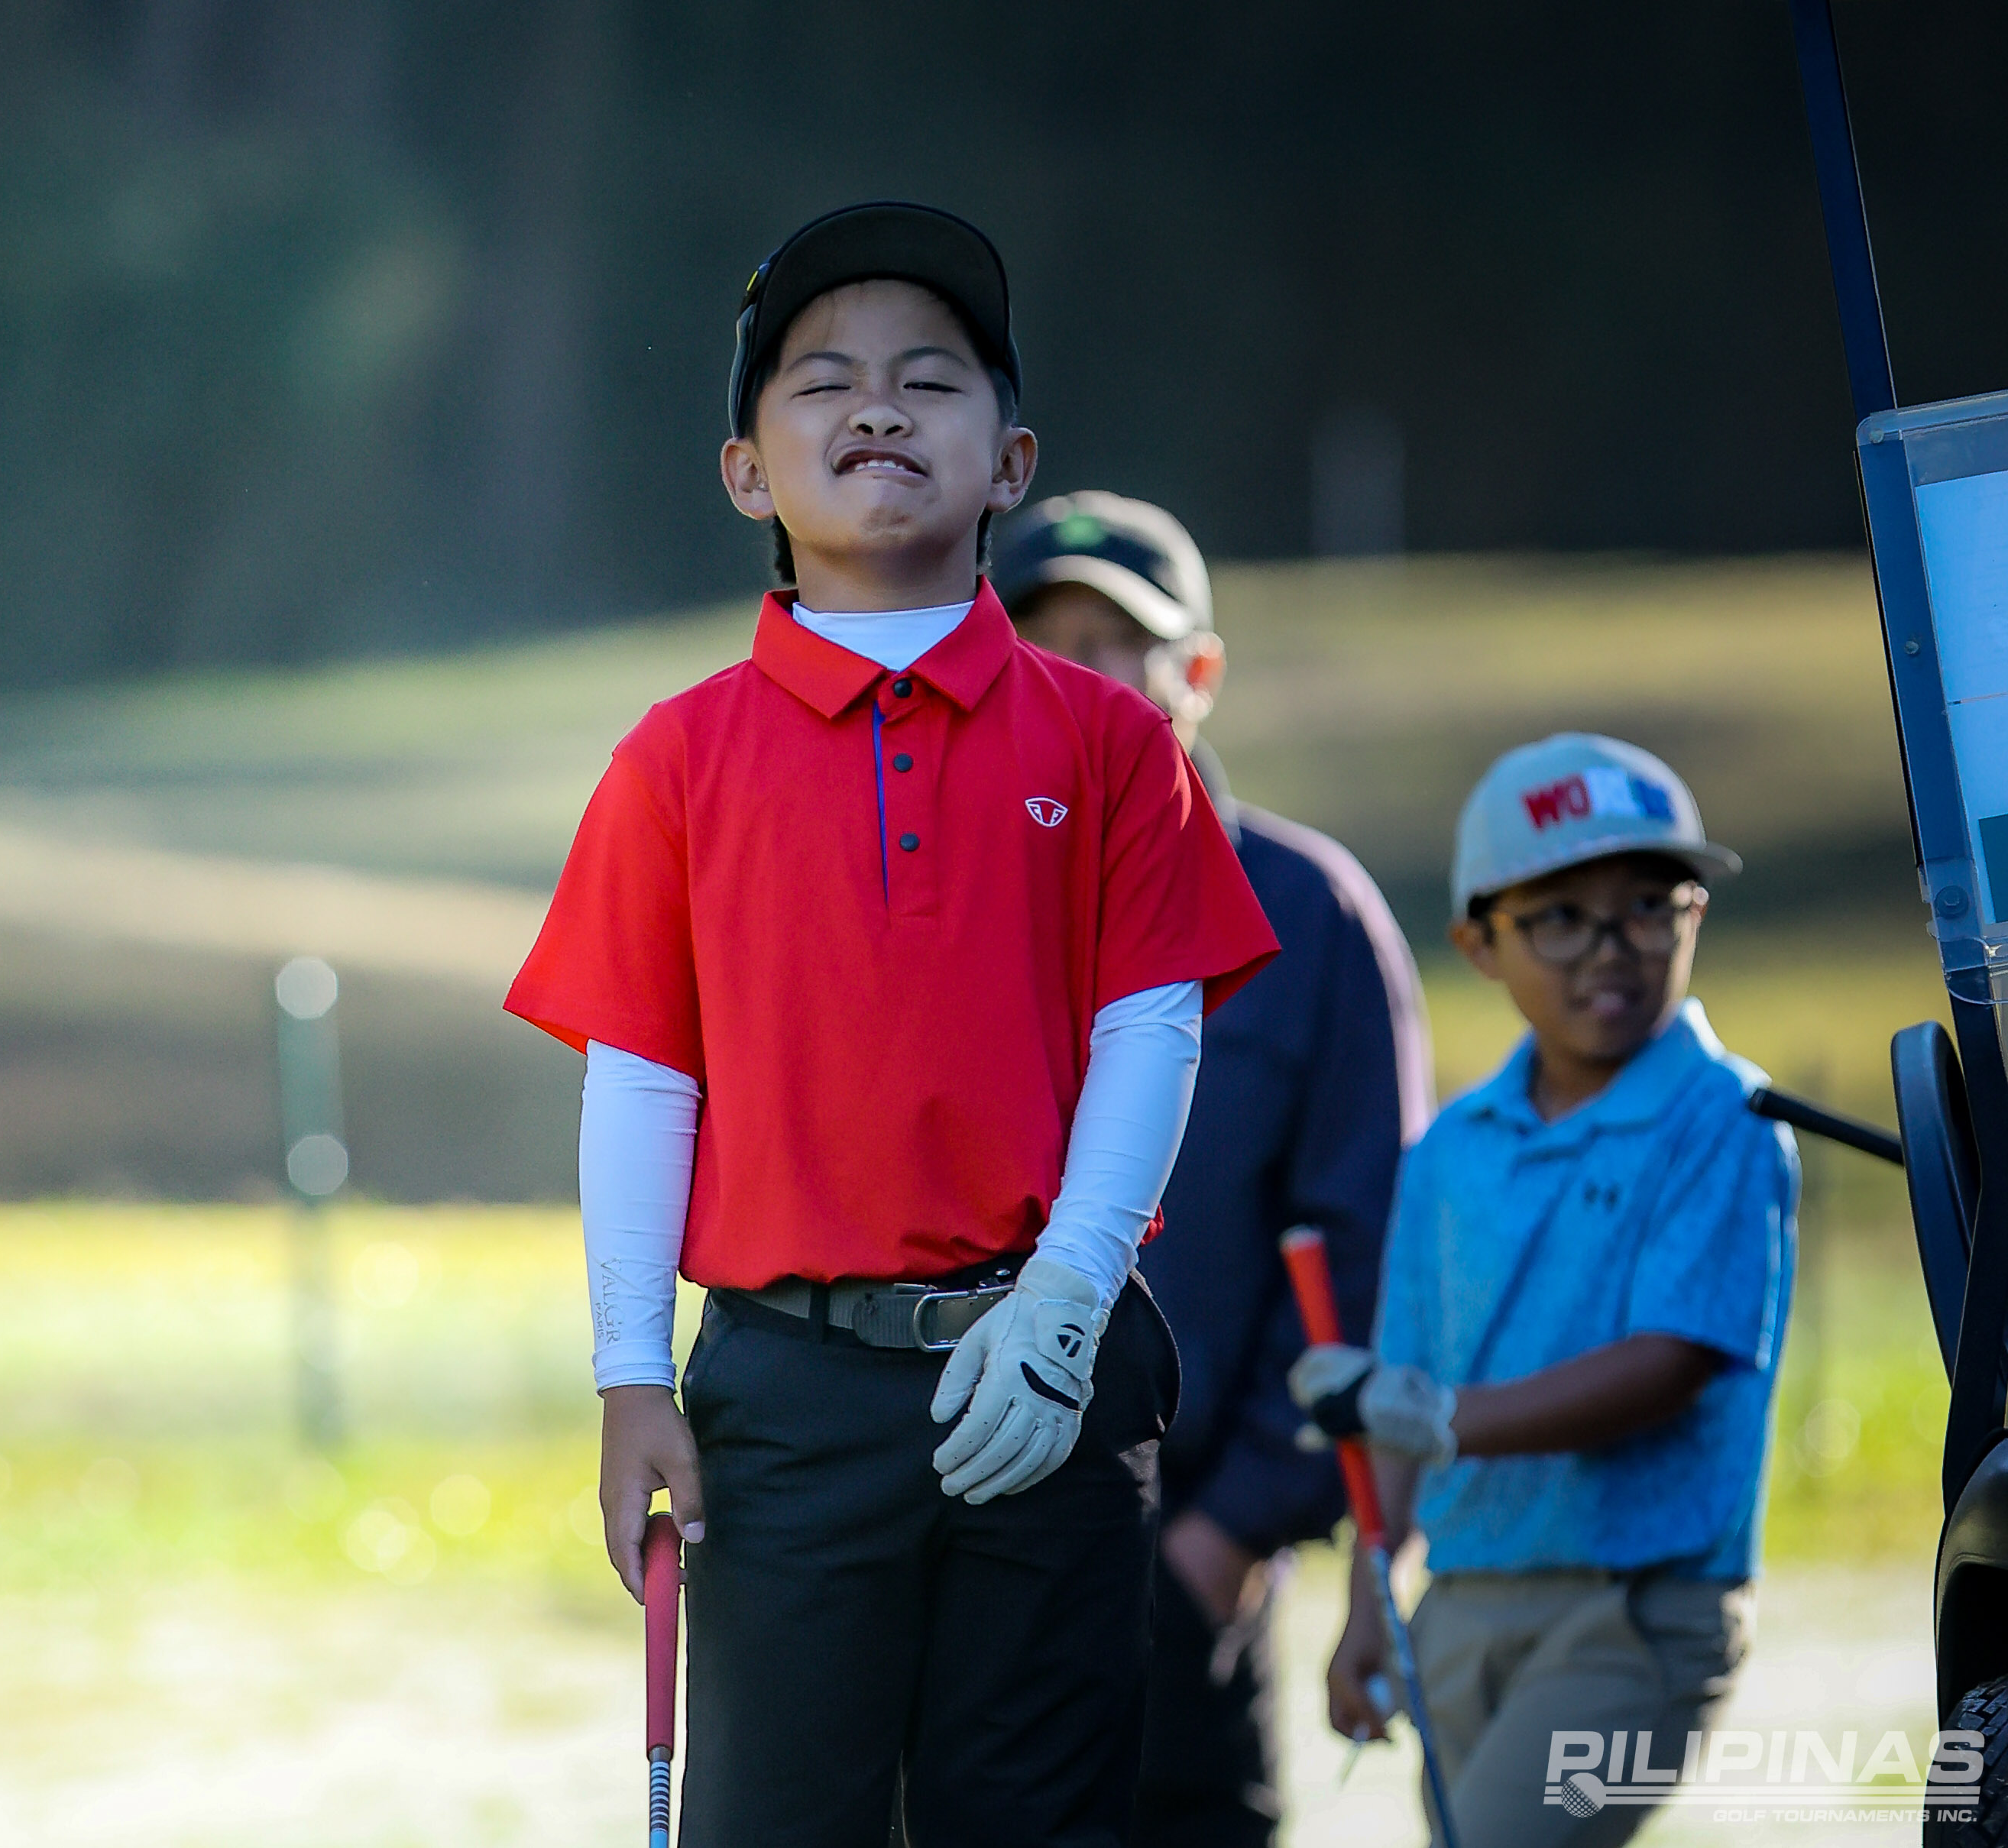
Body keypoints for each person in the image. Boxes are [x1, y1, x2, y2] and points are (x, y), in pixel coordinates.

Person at [503, 202, 1281, 1846]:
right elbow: (642, 1075)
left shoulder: (1109, 741)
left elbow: (1155, 1031)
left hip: (1048, 1371)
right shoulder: (678, 757)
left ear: (1010, 461)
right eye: (822, 381)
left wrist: (1070, 1293)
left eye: (930, 381)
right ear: (745, 471)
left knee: (1037, 1822)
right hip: (789, 1389)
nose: (876, 406)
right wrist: (632, 1371)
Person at [990, 494, 1433, 1847]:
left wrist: (1235, 1526)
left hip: (1186, 1558)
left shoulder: (1308, 916)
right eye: (1041, 647)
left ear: (1196, 673)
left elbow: (1369, 1245)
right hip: (960, 1557)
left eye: (1113, 644)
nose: (1077, 679)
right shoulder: (945, 912)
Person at [1295, 733, 1795, 1847]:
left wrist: (1440, 1420)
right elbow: (1404, 1383)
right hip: (1464, 1602)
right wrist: (1370, 1603)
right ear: (1479, 942)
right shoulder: (1453, 1149)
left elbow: (1666, 1366)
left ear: (1695, 916)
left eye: (1649, 907)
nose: (1610, 951)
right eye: (1560, 917)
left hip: (1638, 1609)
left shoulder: (1724, 1119)